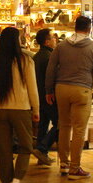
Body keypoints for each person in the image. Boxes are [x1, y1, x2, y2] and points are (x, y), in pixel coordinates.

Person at [45, 16, 93, 180]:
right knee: (79, 129)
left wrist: (48, 90)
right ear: (89, 29)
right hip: (82, 90)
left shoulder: (61, 46)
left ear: (75, 27)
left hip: (61, 89)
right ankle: (74, 168)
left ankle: (64, 164)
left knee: (64, 126)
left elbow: (51, 69)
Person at [0, 27, 39, 183]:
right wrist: (36, 109)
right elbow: (32, 88)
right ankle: (15, 182)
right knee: (26, 146)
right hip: (21, 109)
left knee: (3, 149)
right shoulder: (25, 60)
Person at [31, 28, 57, 166]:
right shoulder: (49, 57)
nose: (55, 40)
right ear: (47, 42)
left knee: (43, 124)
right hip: (48, 96)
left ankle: (42, 155)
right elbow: (51, 78)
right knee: (60, 124)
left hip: (39, 96)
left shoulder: (36, 56)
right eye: (53, 38)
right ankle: (42, 148)